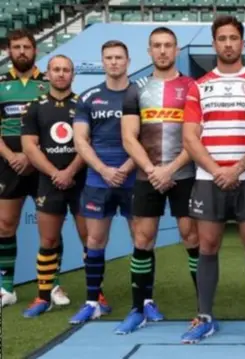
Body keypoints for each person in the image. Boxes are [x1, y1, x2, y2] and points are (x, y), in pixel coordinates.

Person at [179, 16, 245, 344]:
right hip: (208, 177)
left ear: (243, 44)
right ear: (214, 44)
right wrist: (218, 170)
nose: (229, 44)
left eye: (234, 38)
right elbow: (190, 137)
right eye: (222, 38)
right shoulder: (198, 86)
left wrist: (237, 169)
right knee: (207, 245)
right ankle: (204, 316)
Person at [116, 26, 199, 334]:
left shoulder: (192, 87)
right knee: (142, 240)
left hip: (185, 173)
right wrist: (153, 170)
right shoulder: (135, 89)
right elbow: (128, 137)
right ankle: (139, 308)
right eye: (157, 46)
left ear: (177, 50)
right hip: (146, 175)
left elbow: (195, 137)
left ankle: (203, 311)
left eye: (168, 45)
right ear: (149, 52)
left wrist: (170, 169)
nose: (163, 51)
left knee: (192, 238)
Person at [69, 40, 136, 324]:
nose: (113, 62)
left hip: (134, 177)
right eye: (108, 58)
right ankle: (92, 302)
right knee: (95, 240)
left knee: (142, 241)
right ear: (102, 61)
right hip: (98, 179)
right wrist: (104, 169)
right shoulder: (88, 97)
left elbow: (147, 139)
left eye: (118, 57)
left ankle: (144, 303)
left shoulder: (139, 94)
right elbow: (80, 141)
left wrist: (125, 166)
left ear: (128, 61)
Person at [20, 55, 88, 318]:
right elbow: (29, 147)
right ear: (47, 74)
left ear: (73, 74)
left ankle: (96, 294)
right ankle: (43, 296)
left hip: (81, 180)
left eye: (66, 70)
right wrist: (55, 173)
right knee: (47, 241)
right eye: (56, 69)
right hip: (48, 183)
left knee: (90, 241)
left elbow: (87, 144)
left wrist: (70, 171)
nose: (61, 74)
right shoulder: (35, 107)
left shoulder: (83, 104)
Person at [0, 29, 57, 308]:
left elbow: (59, 129)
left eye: (26, 47)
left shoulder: (48, 83)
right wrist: (12, 156)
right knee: (5, 225)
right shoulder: (0, 84)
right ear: (9, 51)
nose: (21, 51)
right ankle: (5, 287)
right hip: (7, 163)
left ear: (35, 50)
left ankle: (52, 284)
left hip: (42, 163)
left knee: (50, 228)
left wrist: (29, 155)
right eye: (16, 47)